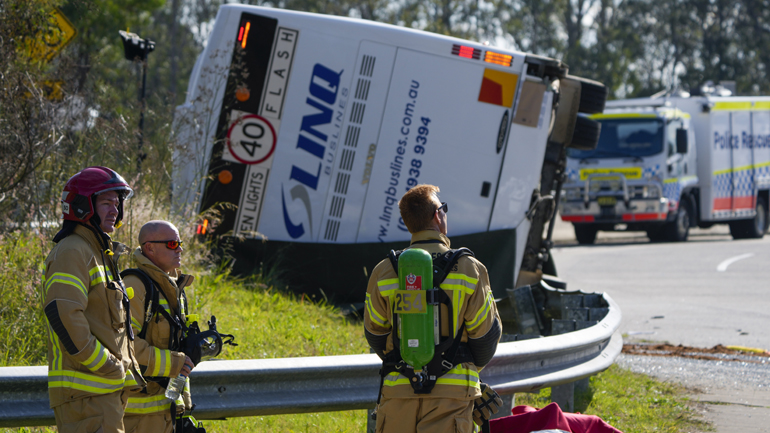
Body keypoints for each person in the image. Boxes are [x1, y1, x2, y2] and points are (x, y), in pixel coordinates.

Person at [364, 184, 502, 433]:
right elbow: (486, 337)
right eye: (443, 208)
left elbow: (375, 334)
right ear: (437, 215)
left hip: (397, 395)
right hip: (452, 397)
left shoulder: (383, 271)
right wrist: (462, 367)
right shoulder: (470, 269)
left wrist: (409, 362)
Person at [43, 166, 146, 433]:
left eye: (117, 203)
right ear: (81, 206)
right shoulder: (73, 251)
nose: (115, 209)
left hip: (103, 395)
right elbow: (63, 316)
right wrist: (108, 366)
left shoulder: (98, 251)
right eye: (106, 202)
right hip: (86, 397)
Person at [121, 220, 198, 433]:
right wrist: (176, 363)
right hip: (137, 416)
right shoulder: (134, 285)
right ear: (150, 248)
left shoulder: (175, 288)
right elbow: (125, 346)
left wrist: (183, 405)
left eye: (180, 243)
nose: (180, 248)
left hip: (167, 411)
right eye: (172, 244)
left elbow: (178, 351)